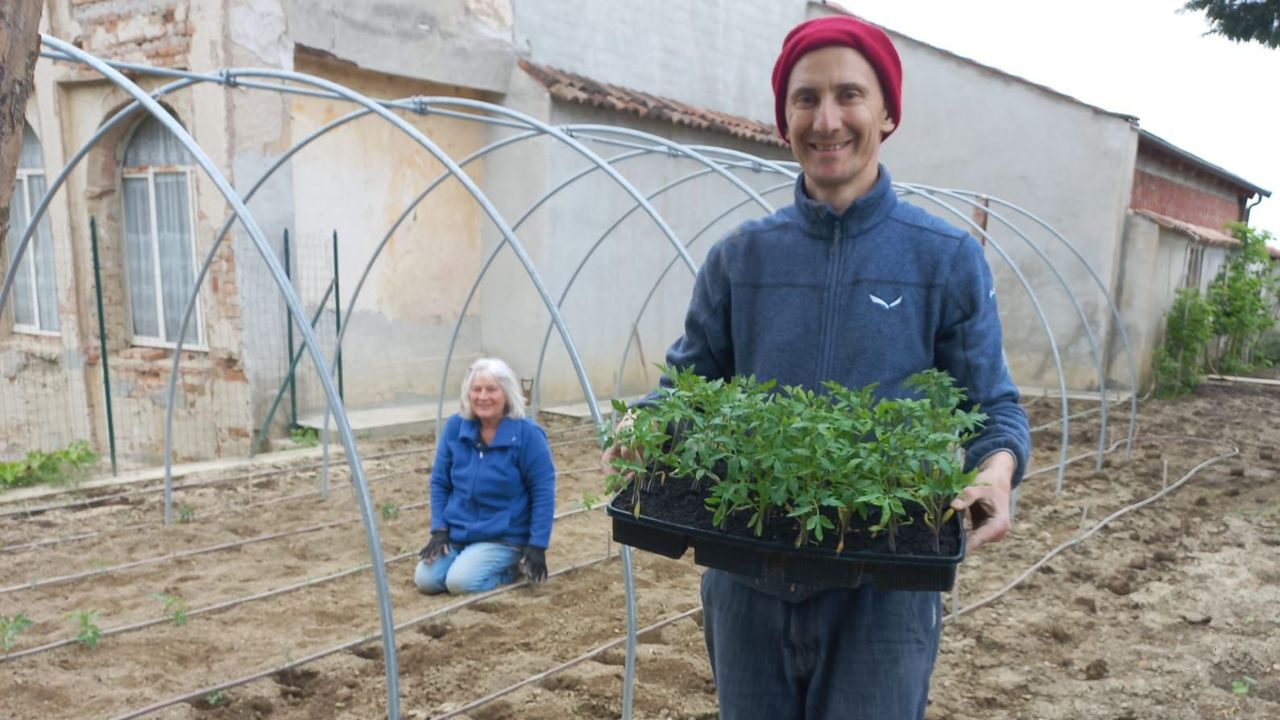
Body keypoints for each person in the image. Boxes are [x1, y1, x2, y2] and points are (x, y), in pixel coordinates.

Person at [602, 14, 1031, 720]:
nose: (827, 119)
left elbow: (994, 408)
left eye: (849, 95)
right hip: (747, 576)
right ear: (783, 119)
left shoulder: (944, 258)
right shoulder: (740, 259)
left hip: (886, 592)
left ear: (887, 112)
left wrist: (998, 466)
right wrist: (643, 424)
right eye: (805, 99)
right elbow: (686, 389)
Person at [416, 357, 555, 595]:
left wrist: (537, 545)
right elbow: (440, 482)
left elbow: (542, 491)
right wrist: (439, 530)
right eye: (476, 389)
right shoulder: (455, 428)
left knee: (460, 583)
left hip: (503, 537)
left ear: (507, 394)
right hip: (459, 532)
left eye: (492, 389)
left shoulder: (527, 435)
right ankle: (466, 559)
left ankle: (511, 569)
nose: (483, 397)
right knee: (426, 580)